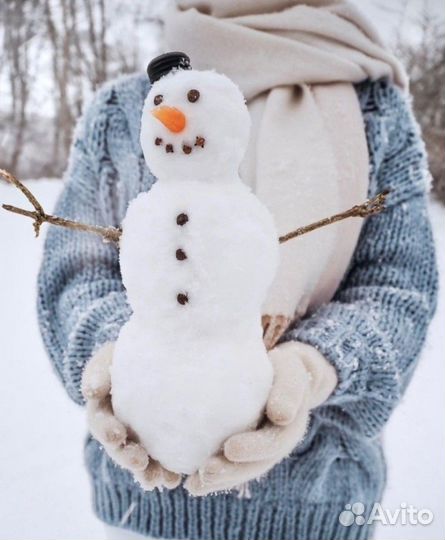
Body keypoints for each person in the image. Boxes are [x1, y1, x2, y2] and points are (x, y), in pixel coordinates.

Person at [37, 1, 438, 539]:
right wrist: (125, 359)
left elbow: (399, 287)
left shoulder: (377, 112)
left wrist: (314, 367)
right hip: (142, 513)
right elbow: (74, 270)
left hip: (319, 511)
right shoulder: (125, 109)